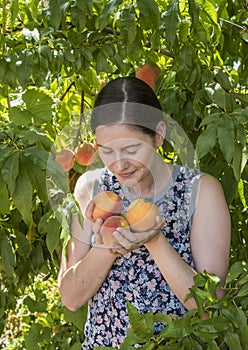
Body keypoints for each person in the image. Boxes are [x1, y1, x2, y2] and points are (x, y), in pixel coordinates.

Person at [58, 76, 231, 349]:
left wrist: (155, 242)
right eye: (106, 151)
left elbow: (211, 308)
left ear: (159, 133)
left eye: (131, 149)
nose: (118, 164)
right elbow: (70, 298)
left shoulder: (200, 191)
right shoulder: (92, 187)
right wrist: (106, 244)